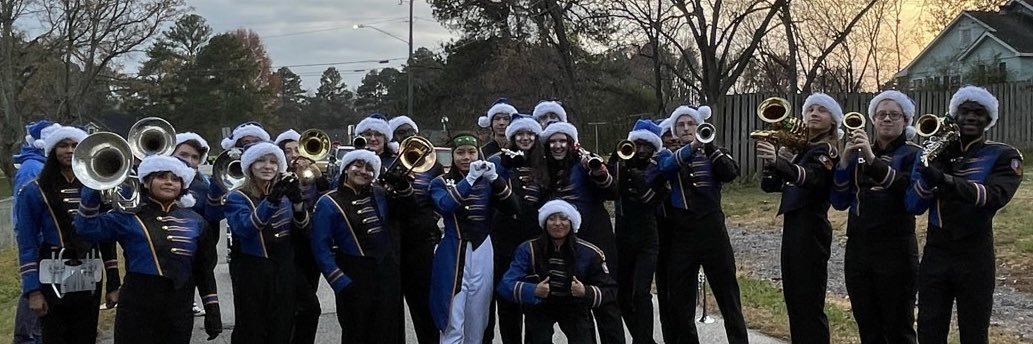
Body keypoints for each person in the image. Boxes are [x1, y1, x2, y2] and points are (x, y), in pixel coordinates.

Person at [906, 86, 1024, 344]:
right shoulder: (936, 152)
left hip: (975, 256)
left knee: (974, 333)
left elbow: (993, 197)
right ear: (954, 117)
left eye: (979, 113)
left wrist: (944, 179)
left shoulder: (1004, 155)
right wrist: (927, 175)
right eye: (965, 112)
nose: (971, 117)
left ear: (989, 119)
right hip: (936, 253)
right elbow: (913, 206)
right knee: (929, 330)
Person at [74, 155, 222, 343]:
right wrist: (94, 187)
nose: (169, 182)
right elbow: (85, 228)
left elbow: (204, 271)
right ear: (145, 182)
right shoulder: (127, 217)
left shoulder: (197, 222)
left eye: (175, 179)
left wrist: (212, 308)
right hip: (137, 307)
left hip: (179, 308)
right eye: (161, 176)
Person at [14, 125, 120, 344]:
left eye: (75, 145)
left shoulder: (98, 188)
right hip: (51, 269)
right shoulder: (33, 190)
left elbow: (107, 240)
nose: (70, 150)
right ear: (53, 150)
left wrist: (113, 284)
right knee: (54, 335)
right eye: (63, 145)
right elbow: (27, 242)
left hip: (90, 269)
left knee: (86, 335)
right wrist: (33, 291)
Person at [831, 90, 921, 344]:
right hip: (859, 247)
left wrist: (872, 159)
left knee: (898, 326)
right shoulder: (858, 152)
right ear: (873, 120)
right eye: (881, 115)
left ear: (906, 120)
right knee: (867, 323)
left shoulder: (914, 154)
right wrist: (844, 161)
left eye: (894, 115)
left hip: (896, 248)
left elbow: (907, 190)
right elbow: (839, 201)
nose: (887, 119)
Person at [756, 93, 843, 343]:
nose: (814, 114)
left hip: (812, 228)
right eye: (810, 110)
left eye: (822, 110)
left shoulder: (827, 150)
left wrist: (780, 162)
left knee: (809, 303)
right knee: (795, 301)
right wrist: (776, 161)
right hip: (794, 226)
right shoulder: (802, 149)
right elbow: (770, 186)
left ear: (833, 121)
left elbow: (811, 179)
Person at [660, 106, 747, 344]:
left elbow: (730, 173)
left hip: (713, 232)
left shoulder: (715, 152)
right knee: (680, 303)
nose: (686, 128)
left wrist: (708, 147)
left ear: (700, 127)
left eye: (691, 124)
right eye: (681, 125)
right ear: (675, 131)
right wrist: (691, 148)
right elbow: (664, 170)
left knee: (729, 298)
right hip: (682, 234)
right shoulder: (668, 155)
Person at [311, 149, 414, 344]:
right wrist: (340, 281)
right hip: (354, 273)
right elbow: (320, 247)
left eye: (369, 168)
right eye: (358, 165)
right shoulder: (328, 202)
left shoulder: (380, 193)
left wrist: (402, 187)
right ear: (346, 169)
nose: (363, 171)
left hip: (386, 272)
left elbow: (408, 213)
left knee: (389, 331)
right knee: (357, 332)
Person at [539, 122, 624, 344]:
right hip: (570, 244)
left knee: (607, 306)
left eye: (562, 140)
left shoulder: (584, 162)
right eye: (553, 141)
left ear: (571, 143)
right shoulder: (544, 168)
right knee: (578, 308)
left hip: (597, 237)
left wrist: (599, 171)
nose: (558, 145)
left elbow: (613, 192)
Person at [429, 133, 518, 344]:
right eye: (460, 153)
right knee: (452, 312)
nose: (466, 157)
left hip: (483, 248)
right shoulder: (440, 182)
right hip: (453, 248)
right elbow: (445, 206)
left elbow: (513, 208)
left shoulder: (487, 181)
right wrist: (469, 179)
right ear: (453, 156)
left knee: (478, 315)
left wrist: (496, 179)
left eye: (471, 152)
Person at [496, 200, 618, 344]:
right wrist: (533, 290)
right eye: (552, 219)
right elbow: (505, 285)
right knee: (538, 338)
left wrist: (586, 292)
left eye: (563, 218)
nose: (558, 223)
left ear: (572, 222)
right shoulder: (528, 249)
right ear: (544, 223)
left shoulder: (589, 252)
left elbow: (610, 289)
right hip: (540, 305)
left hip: (574, 306)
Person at [223, 141, 308, 344]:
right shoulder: (237, 197)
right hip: (253, 271)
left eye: (273, 161)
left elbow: (302, 231)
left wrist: (298, 203)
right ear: (250, 166)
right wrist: (271, 201)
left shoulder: (283, 194)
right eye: (260, 161)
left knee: (282, 325)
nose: (268, 166)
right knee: (253, 328)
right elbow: (245, 229)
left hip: (283, 268)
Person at [484, 114, 548, 343]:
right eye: (519, 134)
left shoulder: (545, 163)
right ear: (512, 137)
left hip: (535, 239)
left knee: (534, 302)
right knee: (507, 300)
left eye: (529, 133)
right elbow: (490, 196)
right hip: (504, 237)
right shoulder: (498, 161)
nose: (525, 138)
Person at [389, 115, 446, 344]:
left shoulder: (432, 165)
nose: (407, 136)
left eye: (410, 131)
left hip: (421, 241)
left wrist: (431, 219)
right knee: (392, 305)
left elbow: (440, 196)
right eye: (401, 133)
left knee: (423, 303)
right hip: (393, 239)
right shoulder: (388, 162)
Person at [612, 119, 666, 344]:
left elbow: (650, 201)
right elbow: (607, 187)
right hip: (622, 236)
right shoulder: (620, 164)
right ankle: (643, 339)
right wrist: (616, 162)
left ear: (654, 148)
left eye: (647, 146)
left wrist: (635, 175)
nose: (641, 150)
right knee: (622, 296)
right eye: (638, 145)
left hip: (647, 237)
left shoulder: (658, 170)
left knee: (641, 293)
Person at [274, 129, 326, 344]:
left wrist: (318, 175)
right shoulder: (278, 177)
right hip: (288, 246)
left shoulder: (314, 175)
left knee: (308, 299)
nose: (294, 154)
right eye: (288, 151)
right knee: (303, 305)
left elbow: (326, 199)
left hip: (311, 246)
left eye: (297, 149)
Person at [11, 120, 59, 344]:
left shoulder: (37, 164)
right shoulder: (33, 168)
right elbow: (29, 210)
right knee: (35, 291)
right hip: (39, 241)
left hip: (43, 240)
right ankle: (28, 338)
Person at [654, 117, 678, 344]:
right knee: (664, 287)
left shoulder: (687, 157)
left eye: (673, 134)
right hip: (661, 229)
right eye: (666, 135)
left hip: (684, 231)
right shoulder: (657, 161)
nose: (672, 139)